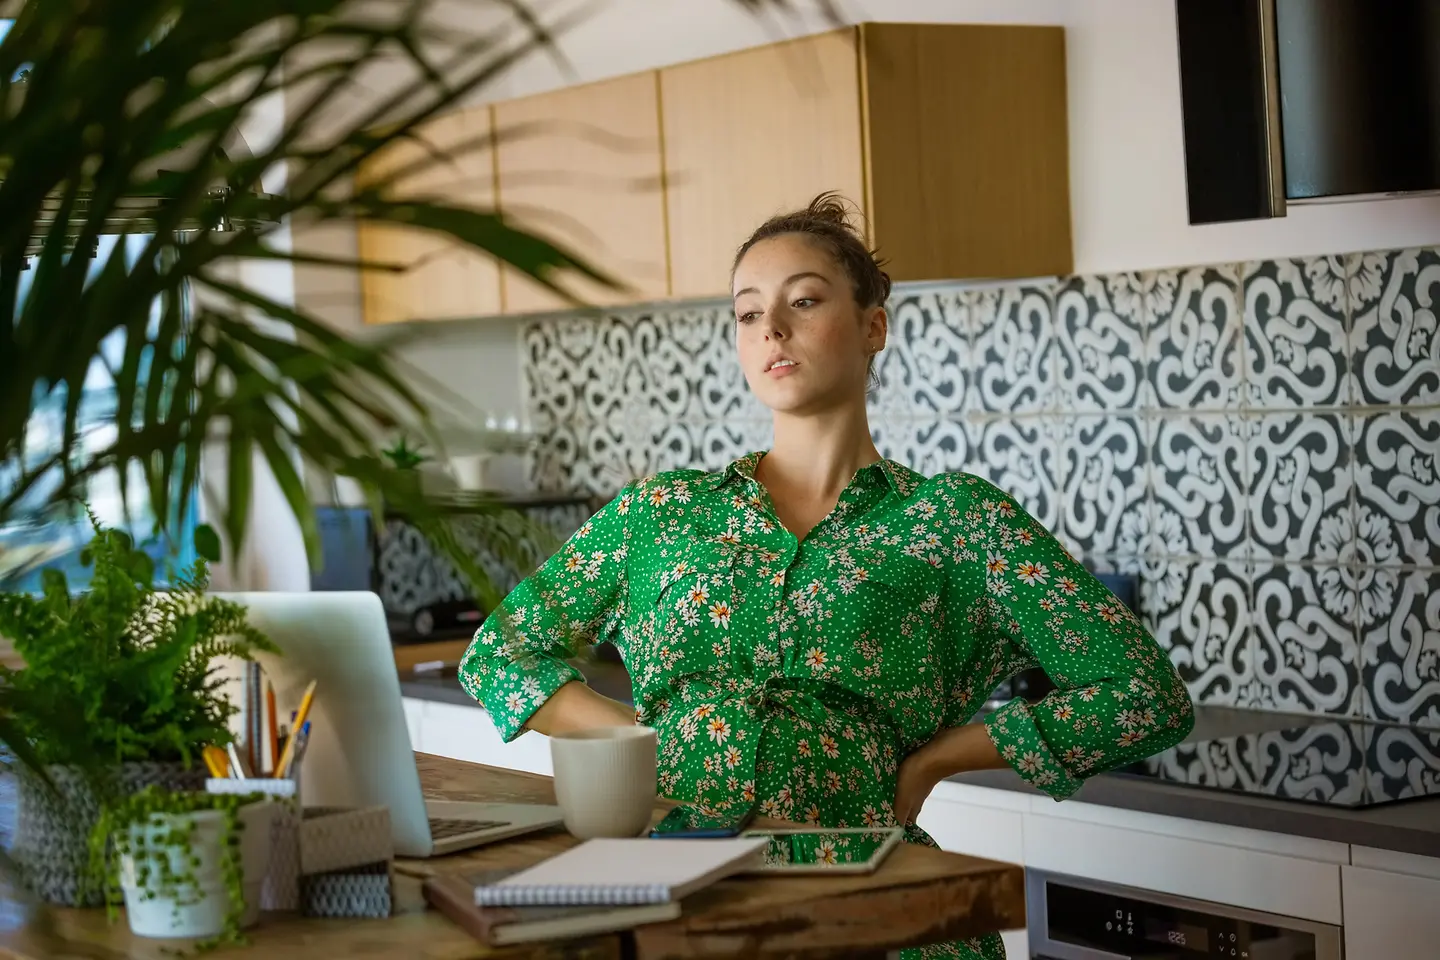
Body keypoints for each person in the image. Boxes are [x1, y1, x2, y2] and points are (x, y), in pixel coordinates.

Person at [459, 193, 1196, 959]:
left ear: (873, 326)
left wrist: (945, 755)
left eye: (803, 301)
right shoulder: (659, 512)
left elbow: (1146, 699)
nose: (771, 329)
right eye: (748, 315)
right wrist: (639, 737)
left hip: (875, 913)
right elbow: (499, 654)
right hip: (682, 902)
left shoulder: (957, 521)